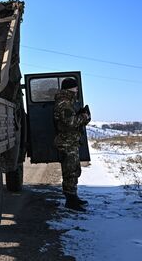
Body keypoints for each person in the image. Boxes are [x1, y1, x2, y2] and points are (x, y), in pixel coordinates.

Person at [53, 78, 91, 212]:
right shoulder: (64, 103)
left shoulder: (68, 102)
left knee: (73, 171)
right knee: (70, 172)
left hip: (70, 141)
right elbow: (71, 122)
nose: (77, 90)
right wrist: (85, 117)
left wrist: (81, 115)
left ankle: (73, 197)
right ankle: (70, 201)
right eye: (75, 88)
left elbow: (72, 121)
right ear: (71, 88)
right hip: (67, 142)